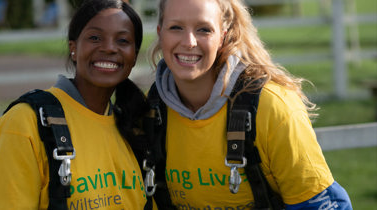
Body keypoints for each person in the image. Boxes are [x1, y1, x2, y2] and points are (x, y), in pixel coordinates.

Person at [147, 0, 352, 209]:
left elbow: (318, 204)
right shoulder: (148, 111)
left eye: (204, 30)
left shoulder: (271, 106)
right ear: (160, 32)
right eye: (176, 28)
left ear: (223, 36)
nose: (189, 41)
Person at [0, 0, 150, 209]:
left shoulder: (134, 129)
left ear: (134, 56)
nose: (109, 48)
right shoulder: (24, 125)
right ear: (74, 49)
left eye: (123, 40)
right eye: (95, 38)